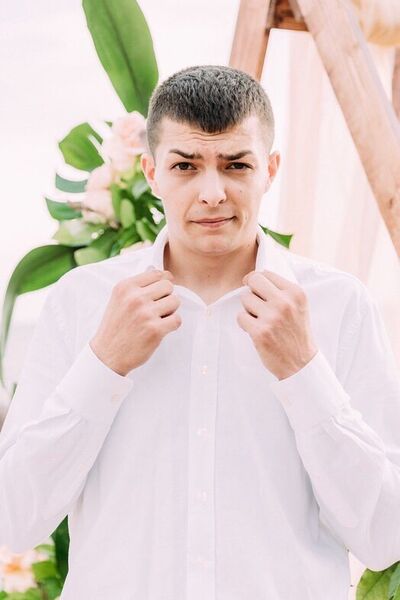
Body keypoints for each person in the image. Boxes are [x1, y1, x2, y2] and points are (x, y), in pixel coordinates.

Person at [0, 64, 400, 600]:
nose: (212, 193)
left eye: (236, 165)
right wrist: (102, 364)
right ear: (151, 172)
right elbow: (13, 520)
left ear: (270, 169)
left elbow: (385, 535)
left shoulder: (341, 307)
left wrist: (305, 373)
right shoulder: (80, 302)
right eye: (186, 165)